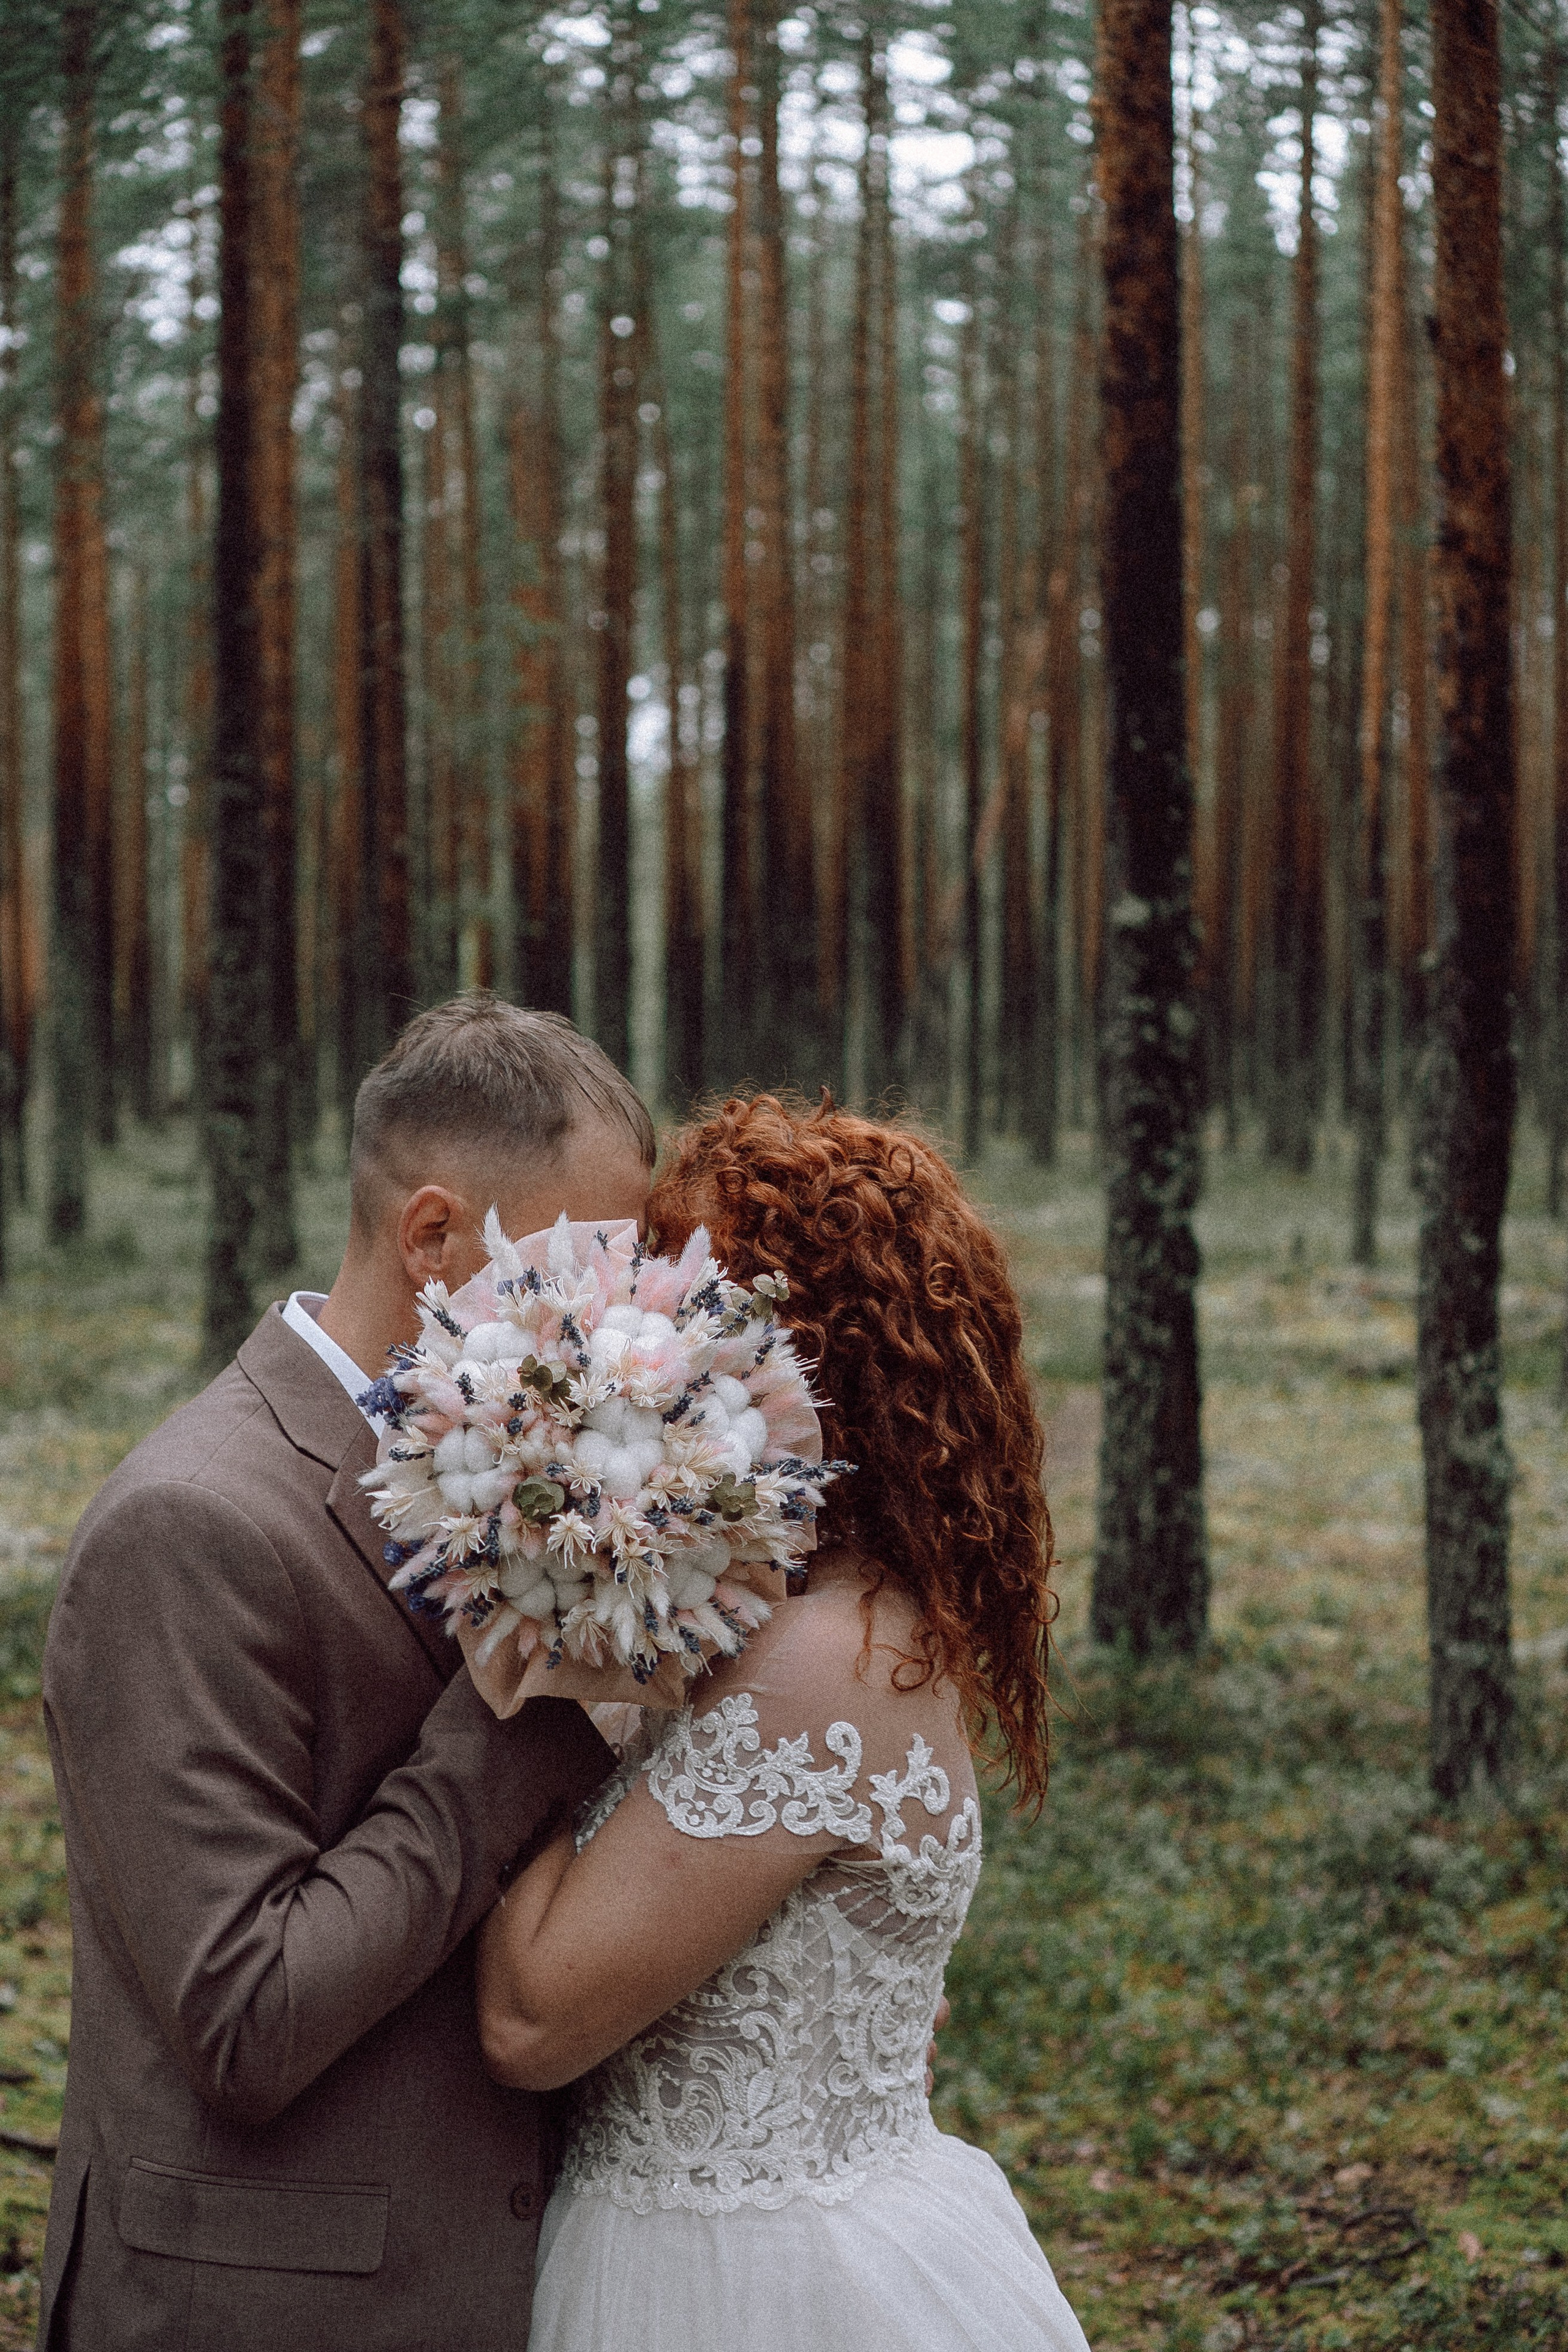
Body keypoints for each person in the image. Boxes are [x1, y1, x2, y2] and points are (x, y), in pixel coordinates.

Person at [37, 995, 653, 2352]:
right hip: (258, 2312)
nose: (612, 1330)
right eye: (583, 1274)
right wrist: (521, 1716)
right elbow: (246, 2018)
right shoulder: (191, 1526)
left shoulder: (513, 1471)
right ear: (433, 1237)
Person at [477, 1093, 1093, 2352]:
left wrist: (517, 1655)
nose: (652, 1344)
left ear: (814, 1360)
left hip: (745, 2281)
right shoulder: (805, 1614)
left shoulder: (828, 1659)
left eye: (696, 1307)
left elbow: (530, 2020)